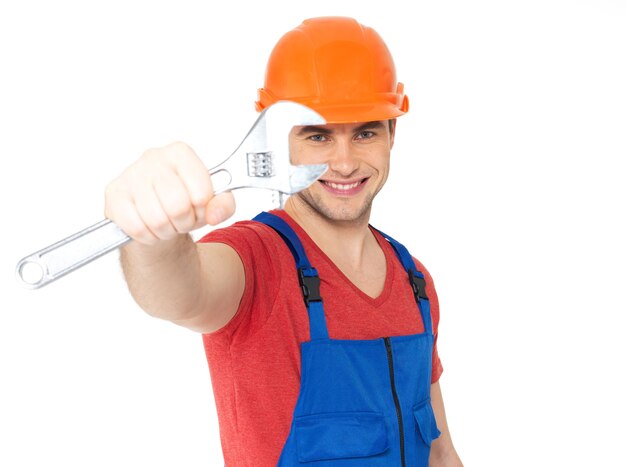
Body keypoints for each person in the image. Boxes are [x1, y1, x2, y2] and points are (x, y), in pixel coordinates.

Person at [105, 16, 463, 467]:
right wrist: (152, 239)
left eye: (365, 132)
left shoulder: (417, 283)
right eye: (318, 136)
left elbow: (440, 452)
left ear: (393, 134)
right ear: (281, 143)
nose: (345, 162)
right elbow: (180, 292)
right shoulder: (256, 261)